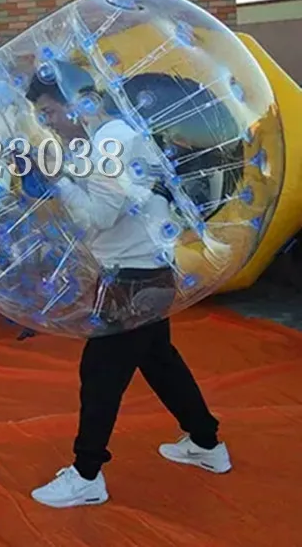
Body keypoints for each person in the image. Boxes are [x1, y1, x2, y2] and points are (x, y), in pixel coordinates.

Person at [25, 65, 231, 509]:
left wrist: (54, 180)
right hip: (146, 272)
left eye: (50, 112)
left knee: (100, 374)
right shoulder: (106, 139)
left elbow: (98, 216)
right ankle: (206, 443)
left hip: (133, 278)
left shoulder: (111, 142)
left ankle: (86, 475)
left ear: (77, 102)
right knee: (160, 362)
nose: (48, 123)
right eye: (42, 117)